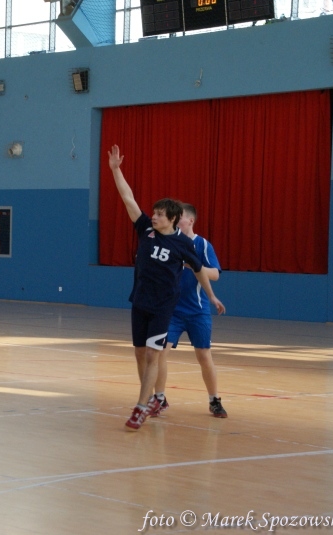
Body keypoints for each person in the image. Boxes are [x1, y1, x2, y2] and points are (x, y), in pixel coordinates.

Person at [107, 145, 225, 431]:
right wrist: (115, 170)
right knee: (139, 353)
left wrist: (211, 296)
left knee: (153, 355)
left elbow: (200, 270)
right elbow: (128, 197)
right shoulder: (145, 230)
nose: (154, 216)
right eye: (154, 213)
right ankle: (151, 398)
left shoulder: (184, 244)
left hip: (164, 307)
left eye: (160, 214)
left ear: (172, 219)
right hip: (140, 302)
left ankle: (141, 406)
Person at [151, 203, 228, 418]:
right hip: (171, 311)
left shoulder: (202, 245)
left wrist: (192, 264)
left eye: (180, 217)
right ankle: (159, 398)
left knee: (204, 355)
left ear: (190, 221)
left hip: (197, 310)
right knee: (160, 353)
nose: (176, 220)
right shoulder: (167, 242)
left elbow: (215, 274)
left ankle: (214, 400)